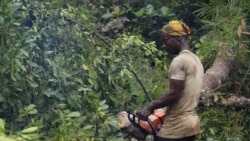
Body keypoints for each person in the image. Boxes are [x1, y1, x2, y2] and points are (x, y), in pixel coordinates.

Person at [138, 20, 204, 141]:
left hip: (176, 127)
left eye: (165, 40)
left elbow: (174, 93)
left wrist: (151, 106)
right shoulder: (196, 60)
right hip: (191, 125)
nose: (164, 45)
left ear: (178, 37)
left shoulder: (179, 61)